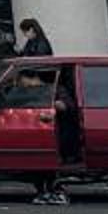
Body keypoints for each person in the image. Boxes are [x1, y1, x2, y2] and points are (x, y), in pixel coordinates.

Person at [33, 71, 84, 206]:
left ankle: (54, 191)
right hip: (47, 135)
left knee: (50, 166)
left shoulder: (57, 89)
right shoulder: (40, 90)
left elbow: (67, 106)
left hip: (62, 134)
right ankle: (47, 191)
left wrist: (53, 107)